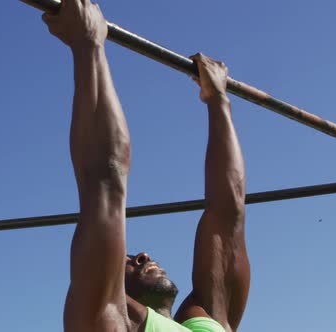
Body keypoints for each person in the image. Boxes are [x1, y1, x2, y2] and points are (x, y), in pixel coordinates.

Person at [42, 1, 250, 331]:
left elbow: (229, 213)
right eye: (123, 261)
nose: (141, 256)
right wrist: (88, 45)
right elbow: (105, 181)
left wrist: (218, 101)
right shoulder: (108, 322)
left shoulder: (208, 321)